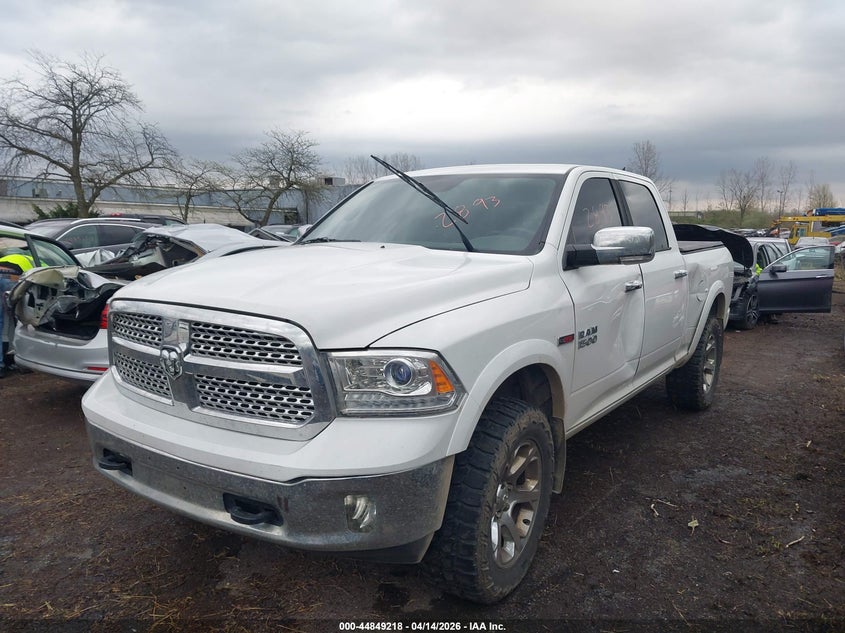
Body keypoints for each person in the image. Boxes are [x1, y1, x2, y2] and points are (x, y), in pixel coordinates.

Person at [0, 254, 33, 378]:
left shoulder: (7, 258)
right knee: (20, 319)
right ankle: (23, 361)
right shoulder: (36, 263)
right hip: (12, 278)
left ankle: (1, 366)